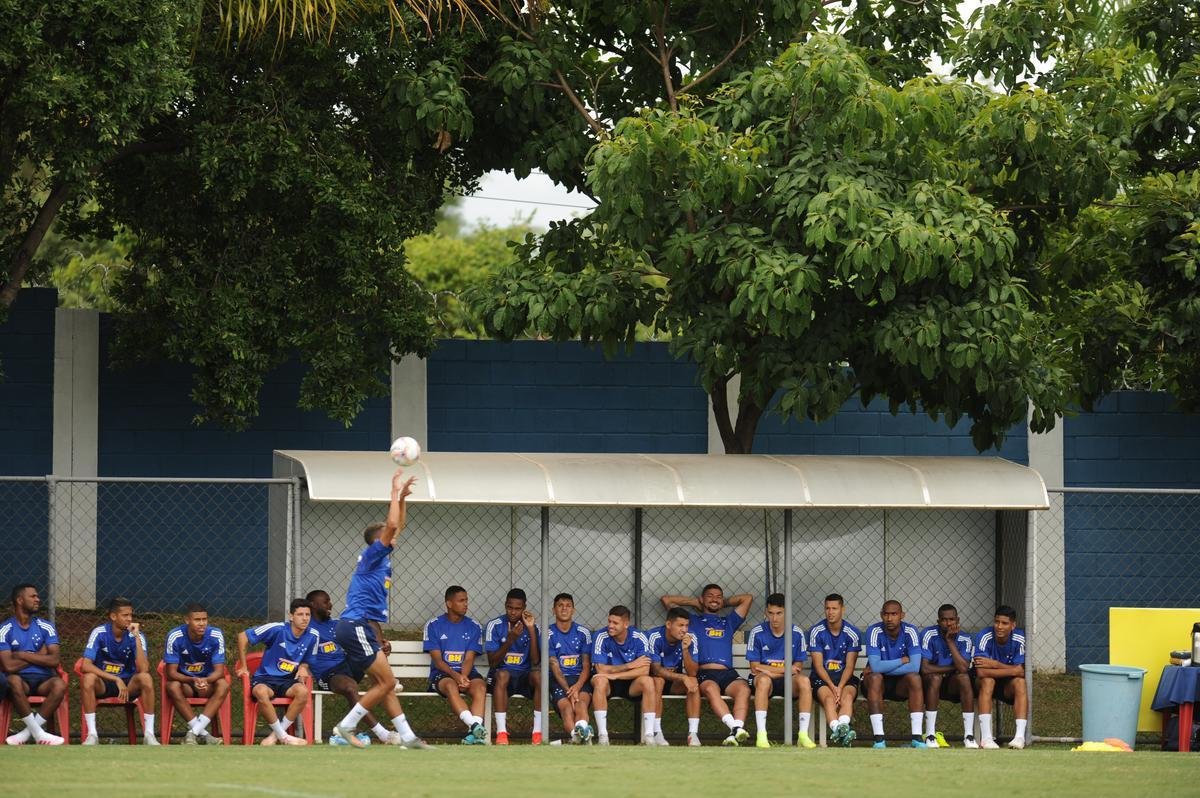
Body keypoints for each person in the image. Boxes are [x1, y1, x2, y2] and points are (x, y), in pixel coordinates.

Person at [330, 468, 427, 749]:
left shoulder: (381, 558)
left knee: (384, 683)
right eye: (387, 534)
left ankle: (407, 737)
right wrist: (394, 493)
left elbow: (399, 526)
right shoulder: (373, 555)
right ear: (378, 540)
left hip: (359, 627)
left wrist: (404, 499)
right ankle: (346, 726)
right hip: (355, 625)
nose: (393, 536)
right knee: (386, 683)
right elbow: (394, 526)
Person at [307, 589, 425, 748]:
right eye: (326, 601)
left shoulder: (337, 624)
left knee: (369, 622)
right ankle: (383, 734)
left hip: (349, 664)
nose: (330, 604)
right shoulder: (307, 628)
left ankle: (383, 664)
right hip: (330, 675)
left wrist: (379, 646)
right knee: (350, 687)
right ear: (313, 605)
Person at [660, 584, 753, 745]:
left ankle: (734, 732)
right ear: (702, 599)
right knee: (711, 689)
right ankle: (735, 728)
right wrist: (695, 603)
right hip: (705, 673)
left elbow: (747, 599)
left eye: (718, 596)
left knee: (744, 690)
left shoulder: (728, 622)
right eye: (710, 596)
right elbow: (667, 600)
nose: (714, 599)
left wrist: (724, 602)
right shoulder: (691, 621)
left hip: (728, 673)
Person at [235, 598, 319, 746]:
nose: (305, 618)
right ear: (291, 616)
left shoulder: (313, 635)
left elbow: (308, 660)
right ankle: (285, 737)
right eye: (300, 614)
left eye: (308, 614)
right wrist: (243, 666)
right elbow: (243, 636)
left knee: (303, 692)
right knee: (261, 692)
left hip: (288, 681)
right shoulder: (277, 629)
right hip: (265, 679)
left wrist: (303, 667)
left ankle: (275, 736)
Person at [80, 596, 158, 745]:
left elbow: (144, 668)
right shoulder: (99, 633)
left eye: (131, 615)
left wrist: (136, 637)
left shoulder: (137, 635)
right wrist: (116, 679)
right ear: (113, 616)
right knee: (88, 678)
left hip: (128, 685)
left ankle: (149, 735)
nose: (129, 619)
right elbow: (85, 665)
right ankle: (92, 735)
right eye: (125, 615)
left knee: (146, 678)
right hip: (105, 683)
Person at [745, 593, 816, 749]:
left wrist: (772, 671)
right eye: (770, 613)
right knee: (763, 680)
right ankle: (761, 735)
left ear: (786, 612)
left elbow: (797, 668)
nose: (774, 618)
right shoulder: (757, 632)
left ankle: (803, 735)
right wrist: (782, 670)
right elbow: (754, 667)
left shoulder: (796, 633)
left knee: (804, 681)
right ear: (766, 613)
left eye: (779, 613)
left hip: (787, 681)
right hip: (764, 680)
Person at [0, 584, 66, 745]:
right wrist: (39, 655)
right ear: (20, 600)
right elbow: (8, 666)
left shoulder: (46, 627)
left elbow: (54, 660)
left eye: (37, 596)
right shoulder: (4, 629)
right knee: (13, 681)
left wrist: (22, 655)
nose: (38, 599)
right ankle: (38, 733)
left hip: (44, 680)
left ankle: (28, 733)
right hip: (21, 681)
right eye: (33, 596)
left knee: (59, 684)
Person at [423, 585, 487, 744]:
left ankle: (474, 735)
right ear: (449, 604)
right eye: (461, 601)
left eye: (466, 600)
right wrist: (456, 676)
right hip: (443, 674)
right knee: (451, 686)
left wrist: (463, 676)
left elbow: (469, 658)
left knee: (480, 687)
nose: (466, 604)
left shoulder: (474, 626)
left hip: (465, 672)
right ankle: (474, 726)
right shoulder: (433, 625)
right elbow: (438, 661)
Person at [163, 602, 229, 745]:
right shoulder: (175, 636)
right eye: (197, 620)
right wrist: (192, 680)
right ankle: (205, 735)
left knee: (223, 684)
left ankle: (193, 732)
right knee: (172, 686)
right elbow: (170, 673)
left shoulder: (216, 635)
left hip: (208, 684)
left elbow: (219, 672)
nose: (201, 624)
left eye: (204, 620)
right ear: (187, 620)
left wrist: (205, 680)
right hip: (186, 684)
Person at [862, 599, 925, 748]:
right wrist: (901, 661)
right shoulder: (874, 631)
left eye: (894, 614)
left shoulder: (911, 631)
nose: (889, 618)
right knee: (876, 677)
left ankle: (917, 738)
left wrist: (881, 667)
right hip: (875, 684)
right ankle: (879, 740)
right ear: (881, 615)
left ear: (902, 615)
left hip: (899, 684)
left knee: (915, 678)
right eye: (886, 614)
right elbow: (875, 668)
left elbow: (915, 667)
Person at [591, 605, 657, 746]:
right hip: (609, 683)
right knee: (600, 681)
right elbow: (600, 669)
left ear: (626, 624)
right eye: (609, 621)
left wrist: (615, 675)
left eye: (615, 623)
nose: (610, 626)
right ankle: (603, 736)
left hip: (631, 683)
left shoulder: (639, 637)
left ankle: (649, 736)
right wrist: (629, 665)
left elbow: (644, 670)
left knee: (648, 681)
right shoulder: (600, 636)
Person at [485, 588, 542, 745]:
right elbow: (493, 662)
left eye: (517, 609)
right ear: (505, 605)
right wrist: (510, 639)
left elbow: (536, 661)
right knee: (503, 675)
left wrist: (530, 629)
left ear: (524, 608)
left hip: (523, 676)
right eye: (510, 607)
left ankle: (537, 733)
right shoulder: (495, 625)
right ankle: (502, 733)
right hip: (501, 678)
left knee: (539, 677)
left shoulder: (533, 627)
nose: (513, 612)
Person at [919, 603, 977, 748]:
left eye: (951, 619)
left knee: (964, 678)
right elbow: (925, 668)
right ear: (938, 621)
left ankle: (969, 736)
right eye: (944, 620)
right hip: (930, 683)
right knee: (935, 678)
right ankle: (930, 734)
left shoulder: (965, 639)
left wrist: (950, 641)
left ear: (957, 620)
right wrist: (953, 668)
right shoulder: (928, 634)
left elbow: (963, 669)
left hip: (951, 684)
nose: (948, 623)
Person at [807, 593, 862, 746]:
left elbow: (850, 665)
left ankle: (841, 729)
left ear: (842, 609)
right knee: (829, 699)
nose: (830, 612)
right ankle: (840, 730)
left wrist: (841, 686)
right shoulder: (816, 632)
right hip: (823, 678)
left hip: (844, 678)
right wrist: (832, 686)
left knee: (847, 697)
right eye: (827, 608)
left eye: (834, 608)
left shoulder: (852, 633)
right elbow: (818, 666)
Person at [973, 604, 1028, 750]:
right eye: (997, 622)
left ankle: (1019, 737)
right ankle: (986, 738)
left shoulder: (1019, 638)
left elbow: (1022, 672)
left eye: (1004, 623)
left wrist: (995, 663)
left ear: (1013, 625)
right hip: (983, 683)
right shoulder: (984, 636)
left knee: (1020, 683)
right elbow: (981, 673)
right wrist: (1013, 670)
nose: (999, 626)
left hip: (1006, 686)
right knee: (988, 681)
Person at [647, 606, 700, 746]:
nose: (684, 629)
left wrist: (685, 650)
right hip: (653, 683)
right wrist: (682, 677)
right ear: (669, 624)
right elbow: (656, 670)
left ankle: (693, 734)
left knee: (693, 681)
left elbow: (692, 672)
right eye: (680, 625)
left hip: (673, 682)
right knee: (658, 681)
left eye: (687, 625)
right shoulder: (654, 636)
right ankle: (657, 732)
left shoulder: (691, 638)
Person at [546, 592, 593, 744]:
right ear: (553, 610)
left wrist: (577, 687)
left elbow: (586, 665)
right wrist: (569, 690)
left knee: (580, 705)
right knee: (566, 708)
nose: (564, 609)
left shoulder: (583, 633)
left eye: (568, 606)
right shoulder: (548, 633)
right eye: (560, 605)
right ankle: (578, 736)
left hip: (580, 679)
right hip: (559, 680)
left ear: (573, 610)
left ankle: (579, 735)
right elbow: (554, 665)